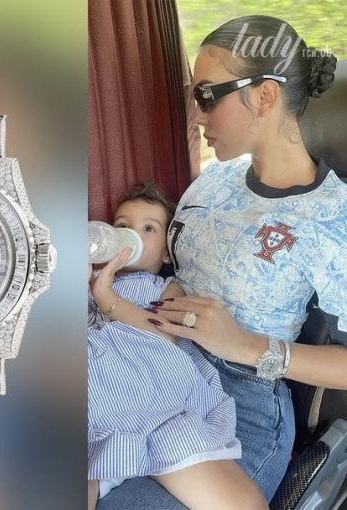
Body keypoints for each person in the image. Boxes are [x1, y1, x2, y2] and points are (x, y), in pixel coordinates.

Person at [97, 15, 347, 510]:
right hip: (154, 366)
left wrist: (248, 345)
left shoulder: (332, 218)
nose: (196, 114)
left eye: (207, 95)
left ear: (265, 95)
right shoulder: (213, 182)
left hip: (241, 400)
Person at [88, 183, 268, 510]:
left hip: (150, 395)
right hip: (92, 402)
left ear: (166, 253)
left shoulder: (168, 288)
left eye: (148, 228)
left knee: (243, 503)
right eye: (122, 226)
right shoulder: (90, 283)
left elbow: (163, 334)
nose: (132, 235)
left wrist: (105, 295)